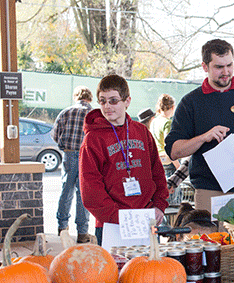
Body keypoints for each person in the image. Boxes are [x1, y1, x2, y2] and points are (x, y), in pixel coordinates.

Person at [165, 39, 234, 214]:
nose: (226, 72)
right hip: (208, 192)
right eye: (219, 67)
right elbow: (174, 151)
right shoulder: (191, 102)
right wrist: (204, 137)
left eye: (230, 65)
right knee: (210, 242)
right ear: (205, 66)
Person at [79, 74, 169, 246]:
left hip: (145, 218)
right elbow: (90, 190)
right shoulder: (92, 139)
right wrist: (118, 216)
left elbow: (157, 173)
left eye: (113, 100)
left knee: (151, 271)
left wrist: (159, 205)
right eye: (102, 101)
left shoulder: (142, 131)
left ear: (127, 101)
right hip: (112, 224)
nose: (107, 106)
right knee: (114, 272)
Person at [52, 86, 93, 243]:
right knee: (83, 194)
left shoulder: (66, 112)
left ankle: (62, 228)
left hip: (69, 154)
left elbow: (55, 135)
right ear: (90, 98)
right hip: (87, 155)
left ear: (76, 97)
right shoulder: (94, 114)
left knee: (66, 190)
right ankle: (82, 232)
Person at [150, 94, 180, 178]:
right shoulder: (167, 123)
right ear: (173, 107)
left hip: (157, 160)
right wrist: (178, 166)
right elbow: (168, 144)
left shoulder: (154, 121)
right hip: (168, 162)